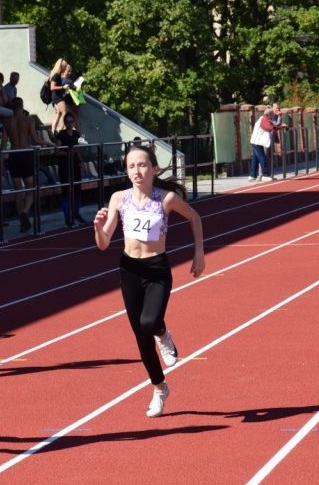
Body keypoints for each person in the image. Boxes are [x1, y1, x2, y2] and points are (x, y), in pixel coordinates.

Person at [93, 143, 205, 417]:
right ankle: (159, 388)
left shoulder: (165, 199)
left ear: (154, 168)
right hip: (129, 270)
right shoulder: (119, 198)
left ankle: (164, 333)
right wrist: (98, 228)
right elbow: (104, 244)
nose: (137, 171)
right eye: (131, 166)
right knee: (142, 340)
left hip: (156, 269)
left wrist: (199, 253)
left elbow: (194, 217)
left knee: (150, 322)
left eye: (142, 165)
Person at [1, 96, 50, 233]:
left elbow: (3, 144)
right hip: (25, 153)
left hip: (14, 155)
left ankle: (22, 220)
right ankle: (24, 213)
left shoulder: (7, 122)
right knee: (31, 187)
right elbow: (36, 139)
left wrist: (1, 163)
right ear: (22, 107)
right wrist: (49, 143)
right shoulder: (28, 120)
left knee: (18, 190)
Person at [53, 113, 88, 227]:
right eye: (67, 122)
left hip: (75, 165)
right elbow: (57, 151)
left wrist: (81, 162)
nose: (69, 124)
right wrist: (68, 153)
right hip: (64, 166)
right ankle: (67, 217)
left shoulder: (77, 134)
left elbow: (77, 151)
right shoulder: (61, 135)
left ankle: (76, 213)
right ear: (64, 123)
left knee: (77, 191)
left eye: (71, 122)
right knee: (66, 192)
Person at [248, 107, 276, 182]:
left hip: (256, 141)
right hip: (257, 142)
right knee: (262, 157)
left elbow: (271, 125)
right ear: (268, 115)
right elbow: (267, 127)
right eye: (272, 115)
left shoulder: (264, 119)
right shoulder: (264, 120)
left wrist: (278, 126)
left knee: (255, 159)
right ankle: (265, 175)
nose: (273, 116)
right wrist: (276, 127)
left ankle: (252, 175)